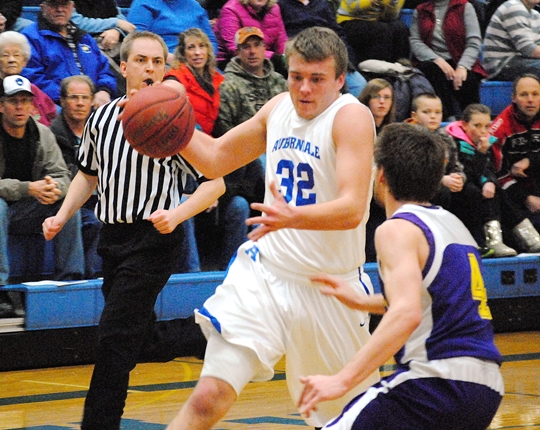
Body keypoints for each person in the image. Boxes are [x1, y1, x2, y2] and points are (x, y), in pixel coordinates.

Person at [166, 26, 380, 429]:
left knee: (353, 421)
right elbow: (213, 159)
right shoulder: (278, 107)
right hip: (266, 274)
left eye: (316, 79)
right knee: (209, 396)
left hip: (329, 288)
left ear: (339, 80)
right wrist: (169, 124)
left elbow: (353, 208)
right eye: (296, 76)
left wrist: (292, 218)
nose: (303, 89)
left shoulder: (350, 116)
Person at [42, 31, 225, 429]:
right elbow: (87, 176)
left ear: (164, 70)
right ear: (124, 67)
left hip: (155, 240)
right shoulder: (101, 120)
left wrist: (178, 214)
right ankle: (203, 334)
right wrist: (62, 214)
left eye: (158, 62)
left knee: (113, 340)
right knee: (137, 339)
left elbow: (216, 182)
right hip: (114, 238)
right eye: (141, 60)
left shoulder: (174, 123)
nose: (150, 68)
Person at [298, 122, 504, 429]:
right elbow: (432, 299)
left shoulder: (396, 229)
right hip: (485, 388)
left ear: (380, 175)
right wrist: (360, 301)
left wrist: (341, 380)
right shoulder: (452, 225)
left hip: (437, 380)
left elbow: (407, 312)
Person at [0, 75, 85, 317]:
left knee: (67, 206)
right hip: (5, 208)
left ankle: (70, 280)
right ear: (1, 105)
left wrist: (51, 188)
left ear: (32, 105)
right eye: (13, 101)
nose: (19, 107)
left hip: (30, 209)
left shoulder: (42, 134)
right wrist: (29, 188)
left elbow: (63, 177)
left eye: (25, 101)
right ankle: (1, 290)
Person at [206, 26, 287, 269]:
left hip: (280, 149)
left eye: (256, 45)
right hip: (243, 159)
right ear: (237, 52)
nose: (252, 51)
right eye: (246, 47)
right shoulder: (228, 84)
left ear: (266, 48)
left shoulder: (280, 82)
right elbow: (225, 130)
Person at [445, 103, 518, 257]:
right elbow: (467, 174)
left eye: (486, 126)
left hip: (476, 189)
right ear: (464, 125)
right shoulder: (454, 142)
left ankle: (526, 237)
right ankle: (484, 241)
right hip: (458, 190)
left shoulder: (485, 142)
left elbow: (490, 171)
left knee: (499, 191)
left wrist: (489, 182)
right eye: (477, 125)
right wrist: (481, 154)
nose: (482, 131)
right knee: (474, 191)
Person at [50, 75, 101, 278]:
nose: (80, 103)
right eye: (73, 97)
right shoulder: (53, 134)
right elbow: (60, 176)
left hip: (98, 200)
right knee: (86, 219)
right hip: (66, 201)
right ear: (62, 101)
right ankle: (74, 279)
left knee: (103, 219)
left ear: (92, 101)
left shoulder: (101, 130)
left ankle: (92, 277)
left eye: (85, 97)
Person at [21, 0, 116, 108]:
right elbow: (33, 79)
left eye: (64, 5)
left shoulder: (84, 38)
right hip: (56, 105)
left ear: (72, 7)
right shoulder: (30, 37)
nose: (60, 9)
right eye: (54, 5)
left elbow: (105, 71)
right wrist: (71, 98)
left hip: (95, 103)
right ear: (43, 8)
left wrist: (104, 90)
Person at [410, 0, 486, 120]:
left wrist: (463, 66)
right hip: (432, 61)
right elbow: (415, 41)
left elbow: (474, 41)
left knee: (468, 78)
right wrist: (437, 59)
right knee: (432, 71)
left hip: (461, 59)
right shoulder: (420, 10)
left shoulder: (464, 7)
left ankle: (473, 121)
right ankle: (446, 118)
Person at [490, 74, 540, 252]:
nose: (530, 100)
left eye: (535, 94)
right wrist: (526, 199)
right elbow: (497, 173)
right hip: (515, 194)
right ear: (513, 98)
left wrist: (531, 160)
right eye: (524, 95)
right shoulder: (500, 127)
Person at [277, 0, 367, 96]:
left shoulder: (323, 4)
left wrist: (347, 60)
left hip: (329, 53)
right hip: (302, 55)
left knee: (359, 84)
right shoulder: (282, 5)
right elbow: (281, 36)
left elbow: (338, 33)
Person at [406, 92, 466, 213]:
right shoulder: (407, 137)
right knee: (442, 192)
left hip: (442, 185)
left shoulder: (445, 137)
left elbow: (456, 165)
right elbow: (411, 173)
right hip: (413, 189)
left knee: (470, 192)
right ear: (414, 115)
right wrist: (441, 180)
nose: (433, 116)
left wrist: (458, 178)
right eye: (426, 112)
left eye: (437, 112)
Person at [358, 78, 395, 262]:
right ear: (367, 99)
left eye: (387, 97)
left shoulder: (392, 132)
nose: (382, 102)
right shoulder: (356, 126)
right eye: (377, 96)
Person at [165, 28, 224, 136]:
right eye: (191, 47)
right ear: (183, 53)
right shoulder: (175, 78)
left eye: (202, 46)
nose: (197, 52)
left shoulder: (218, 78)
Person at [127, 0, 218, 64]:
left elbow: (211, 40)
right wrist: (165, 57)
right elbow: (137, 40)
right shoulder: (143, 3)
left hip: (199, 60)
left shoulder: (195, 5)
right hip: (164, 62)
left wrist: (204, 58)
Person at [0, 31, 57, 126]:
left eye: (16, 55)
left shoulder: (33, 89)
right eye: (5, 55)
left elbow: (52, 114)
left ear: (24, 61)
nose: (11, 60)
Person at [213, 0, 288, 73]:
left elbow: (281, 40)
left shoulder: (274, 8)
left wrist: (285, 57)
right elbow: (233, 47)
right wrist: (274, 57)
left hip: (266, 58)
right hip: (232, 60)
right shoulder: (230, 9)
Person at [336, 0, 410, 65]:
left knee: (401, 28)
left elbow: (391, 16)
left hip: (375, 21)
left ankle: (401, 70)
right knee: (381, 30)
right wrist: (370, 1)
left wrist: (391, 3)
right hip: (349, 20)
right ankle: (377, 73)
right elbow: (352, 7)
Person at [483, 0, 540, 81]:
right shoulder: (514, 7)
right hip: (502, 64)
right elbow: (527, 49)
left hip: (521, 60)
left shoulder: (535, 14)